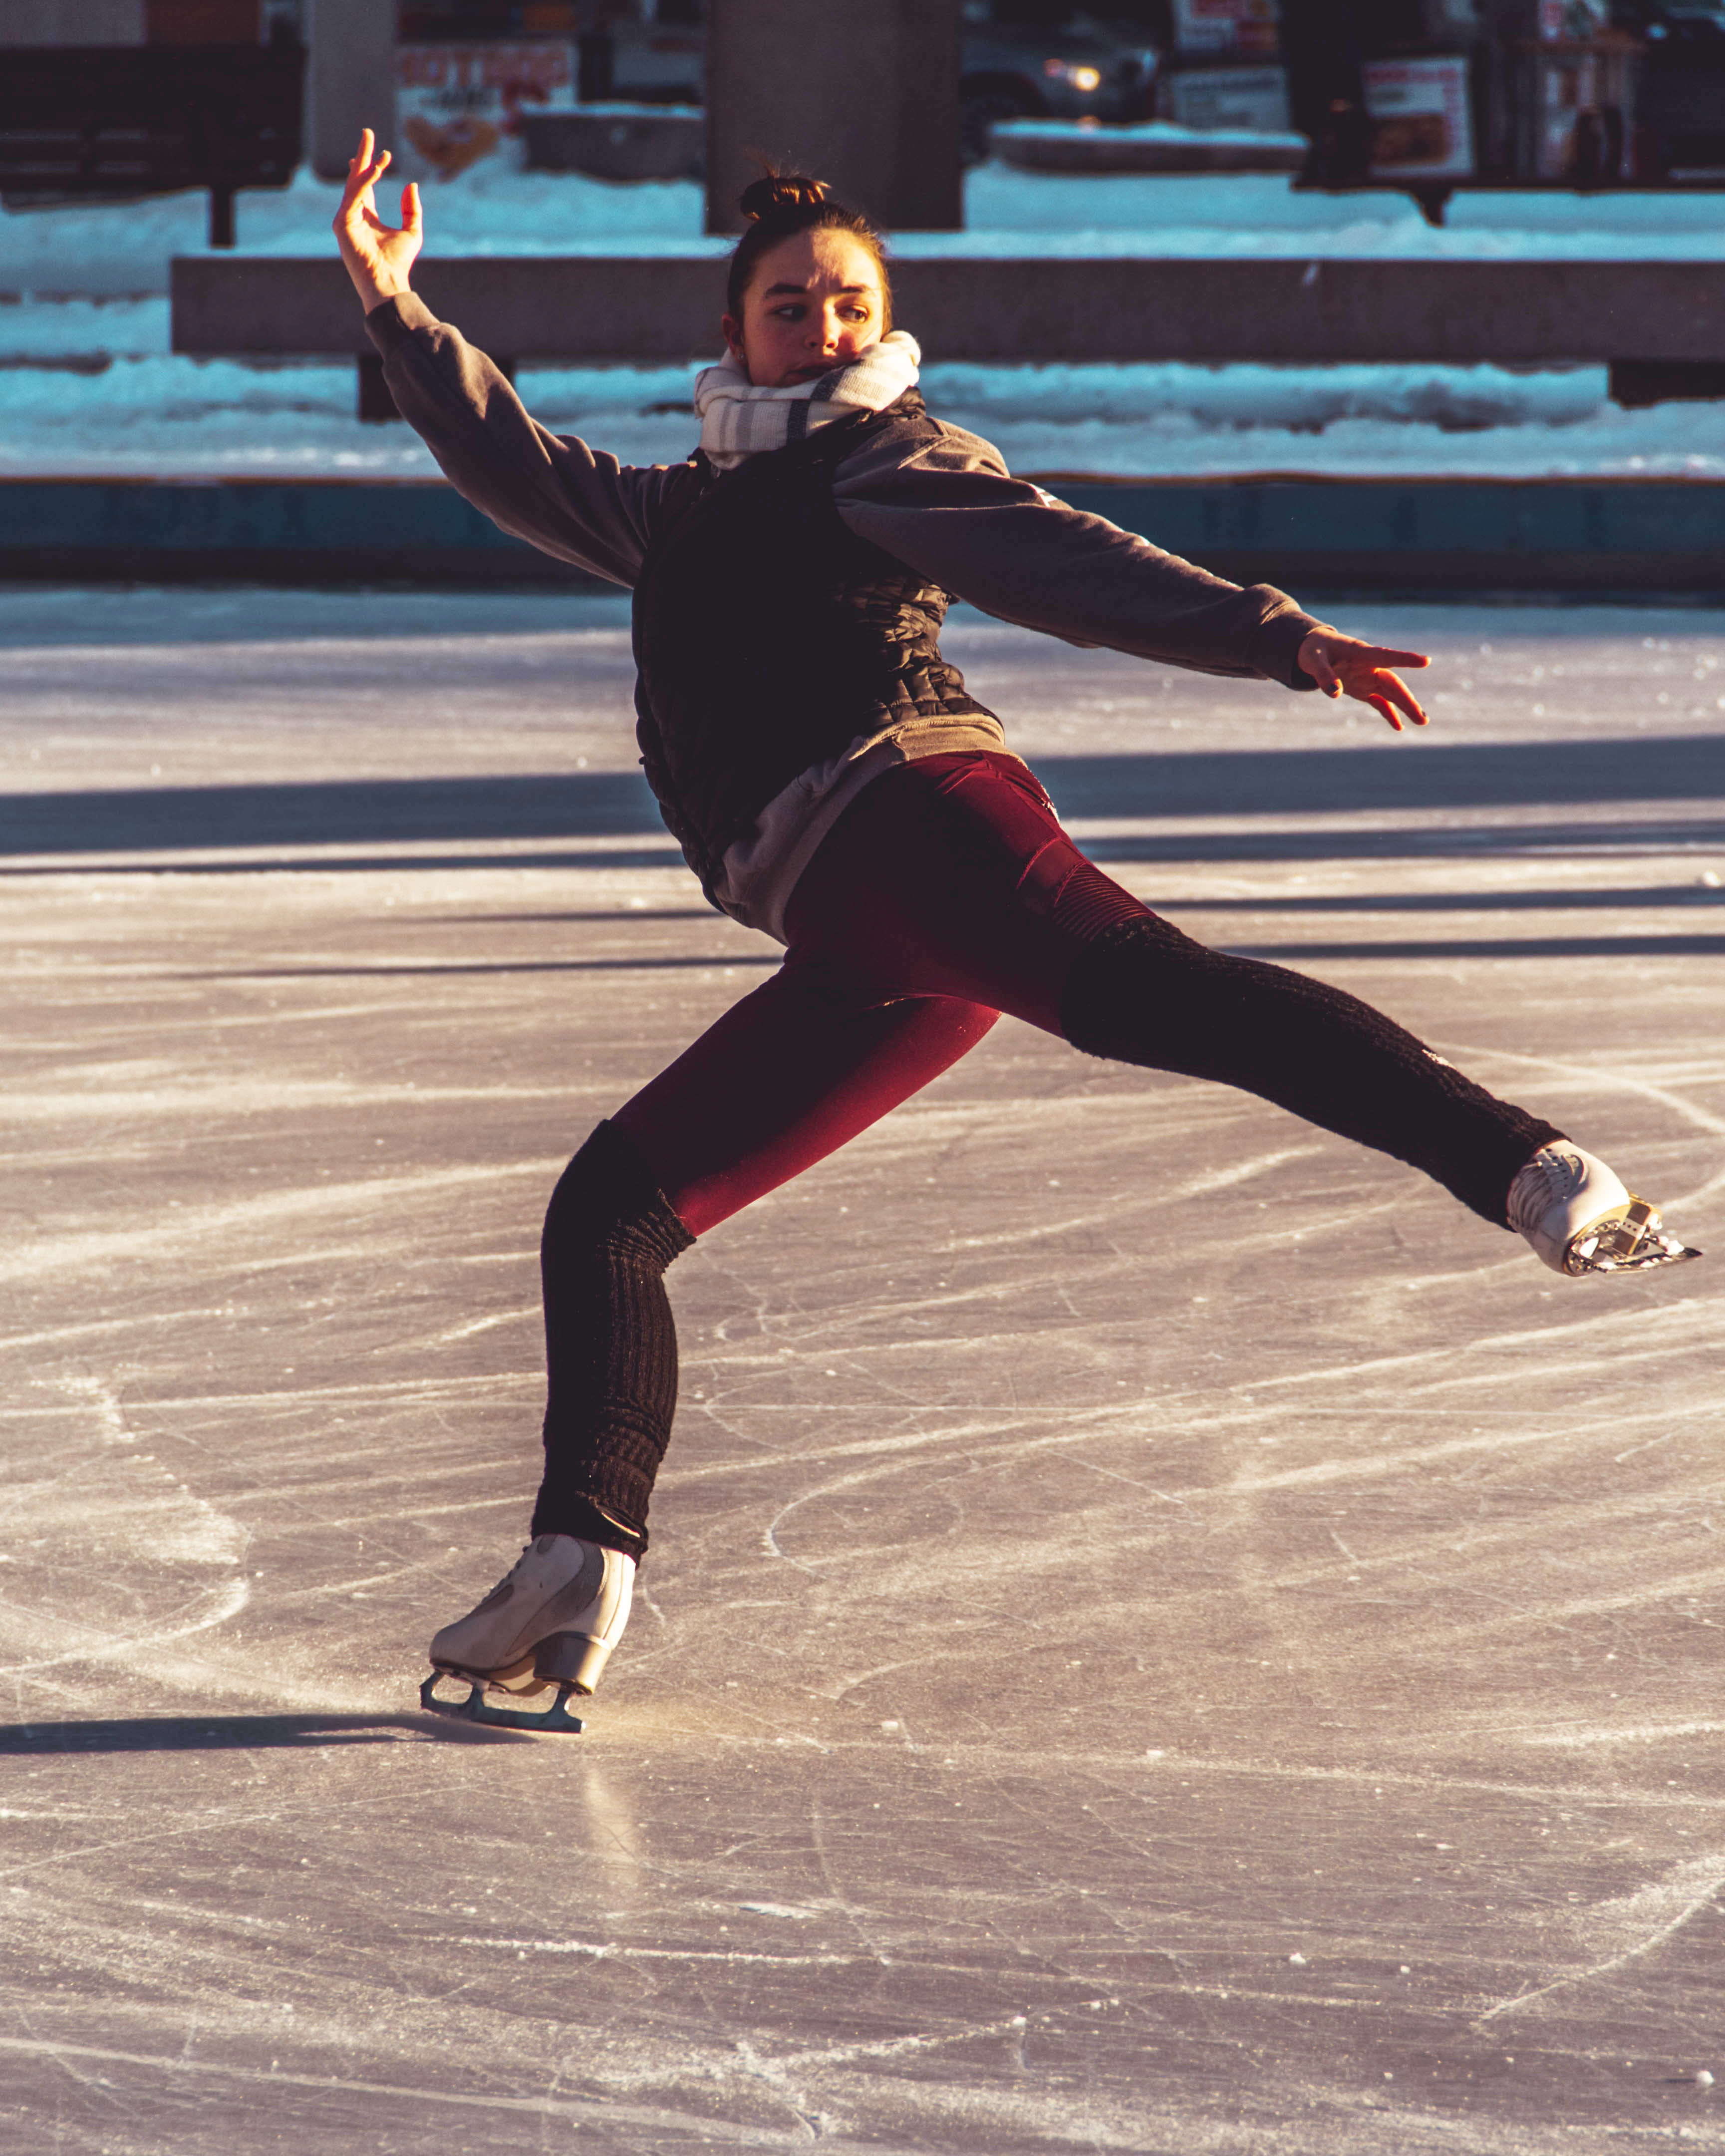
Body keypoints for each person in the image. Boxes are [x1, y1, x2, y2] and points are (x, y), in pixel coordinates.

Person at [332, 131, 1699, 1730]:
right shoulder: (679, 511)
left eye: (849, 304)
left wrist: (1281, 639)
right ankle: (578, 1559)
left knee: (1162, 999)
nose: (823, 329)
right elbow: (514, 459)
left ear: (884, 326)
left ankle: (1529, 1167)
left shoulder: (881, 463)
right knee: (613, 1212)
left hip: (914, 823)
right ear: (735, 337)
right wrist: (391, 302)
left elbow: (1062, 559)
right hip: (860, 932)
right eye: (790, 306)